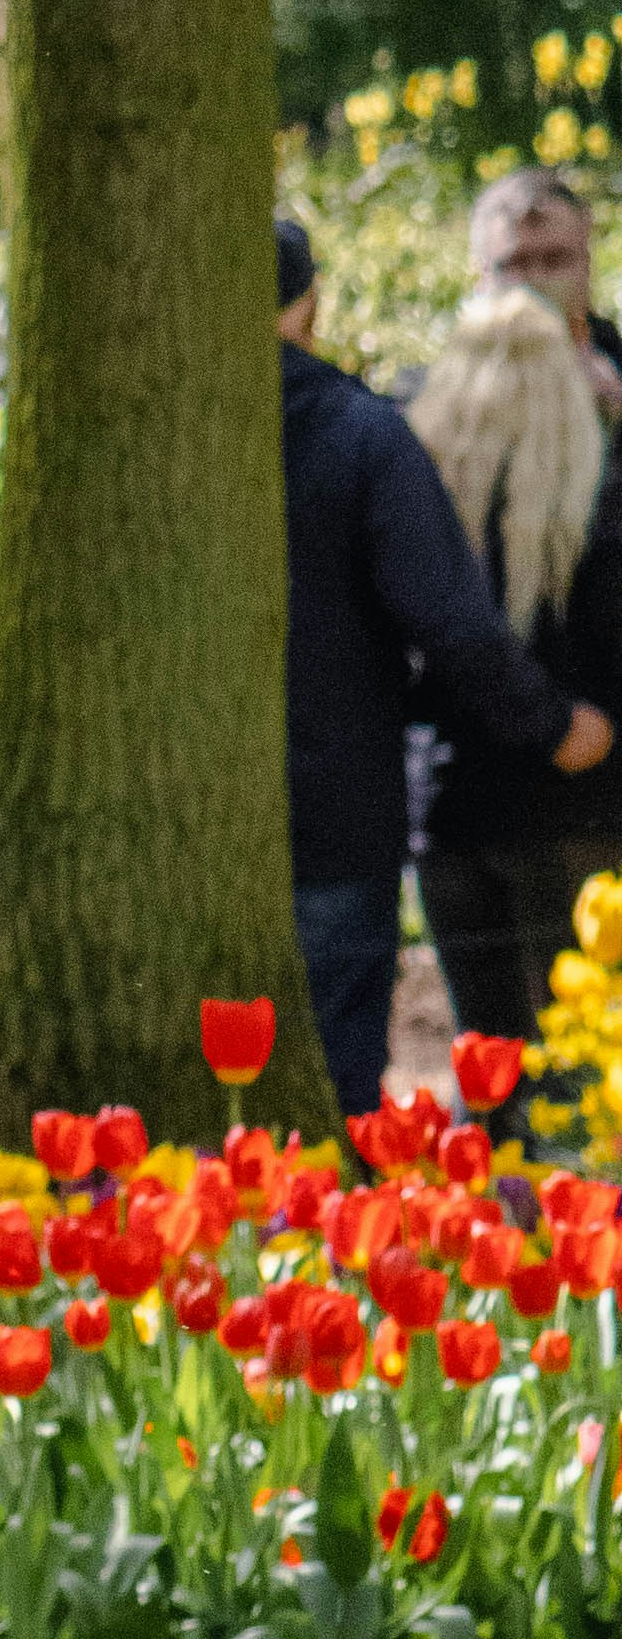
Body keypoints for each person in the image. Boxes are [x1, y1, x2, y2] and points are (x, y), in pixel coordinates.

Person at [277, 213, 610, 1114]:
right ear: (309, 302)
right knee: (549, 1076)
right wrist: (556, 725)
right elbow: (448, 622)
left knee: (488, 1064)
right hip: (449, 799)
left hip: (431, 800)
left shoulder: (407, 430)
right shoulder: (368, 434)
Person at [408, 278, 622, 1070]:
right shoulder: (597, 492)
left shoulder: (418, 495)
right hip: (578, 808)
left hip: (449, 808)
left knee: (487, 1063)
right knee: (577, 1064)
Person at [468, 167, 622, 428]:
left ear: (586, 266)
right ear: (481, 274)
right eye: (516, 264)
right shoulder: (432, 394)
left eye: (556, 260)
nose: (536, 281)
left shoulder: (615, 379)